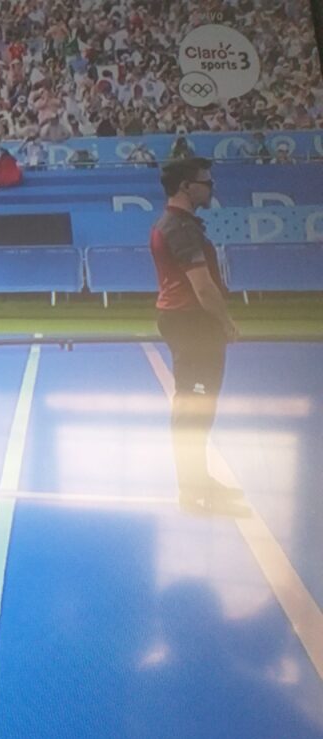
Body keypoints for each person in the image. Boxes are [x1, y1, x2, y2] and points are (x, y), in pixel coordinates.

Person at [149, 158, 242, 514]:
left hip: (189, 322)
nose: (211, 187)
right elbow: (202, 287)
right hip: (193, 322)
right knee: (193, 409)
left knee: (198, 408)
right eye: (206, 182)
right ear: (187, 186)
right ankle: (193, 492)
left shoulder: (179, 223)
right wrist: (226, 322)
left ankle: (199, 481)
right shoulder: (180, 228)